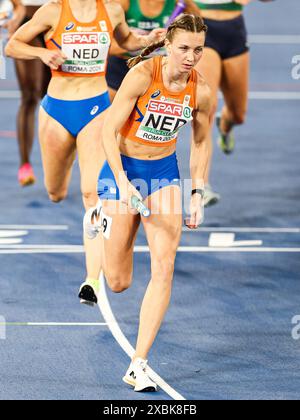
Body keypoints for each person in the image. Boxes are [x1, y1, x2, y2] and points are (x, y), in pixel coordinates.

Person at [5, 0, 165, 302]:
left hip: (96, 107)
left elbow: (126, 40)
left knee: (91, 193)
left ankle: (92, 279)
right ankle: (62, 177)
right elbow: (13, 46)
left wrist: (146, 40)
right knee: (56, 192)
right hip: (56, 111)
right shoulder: (53, 11)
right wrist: (42, 53)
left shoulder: (112, 10)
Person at [85, 13, 212, 392]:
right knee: (119, 281)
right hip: (122, 168)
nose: (190, 57)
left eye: (198, 50)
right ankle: (97, 216)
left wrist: (197, 193)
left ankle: (138, 362)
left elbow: (202, 143)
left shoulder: (201, 90)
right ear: (169, 46)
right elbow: (109, 130)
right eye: (184, 49)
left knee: (165, 263)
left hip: (163, 174)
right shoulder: (143, 76)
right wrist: (122, 182)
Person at [194, 0, 272, 207]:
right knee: (205, 109)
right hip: (201, 27)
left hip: (233, 29)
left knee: (238, 114)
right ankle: (201, 186)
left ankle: (225, 125)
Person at [106, 0, 202, 102]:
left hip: (158, 71)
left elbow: (195, 37)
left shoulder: (182, 4)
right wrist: (142, 42)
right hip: (122, 68)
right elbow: (107, 46)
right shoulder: (123, 3)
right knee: (112, 113)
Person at [5, 0, 51, 187]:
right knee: (30, 96)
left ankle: (60, 159)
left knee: (53, 96)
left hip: (60, 23)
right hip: (27, 21)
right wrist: (17, 8)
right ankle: (25, 164)